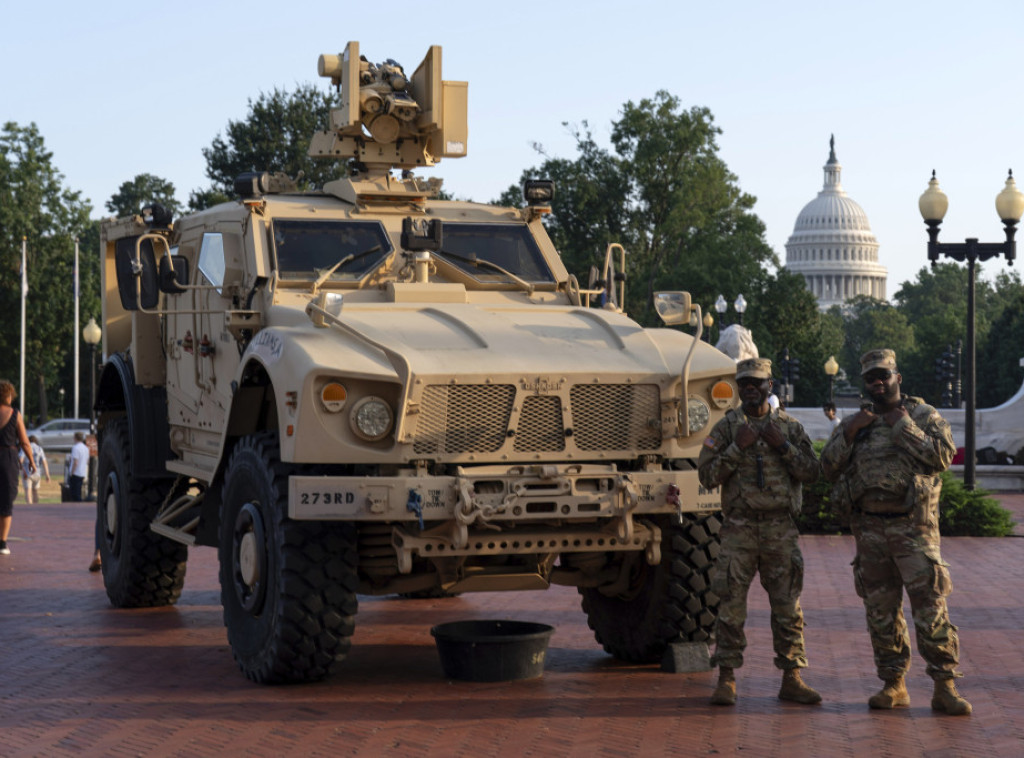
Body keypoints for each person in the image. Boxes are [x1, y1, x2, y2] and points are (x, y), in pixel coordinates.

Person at [821, 349, 971, 716]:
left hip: (913, 531)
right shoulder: (858, 422)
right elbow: (825, 467)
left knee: (930, 609)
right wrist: (850, 431)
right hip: (870, 530)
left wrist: (903, 426)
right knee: (881, 613)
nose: (878, 381)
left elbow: (942, 457)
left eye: (884, 375)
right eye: (871, 376)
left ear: (897, 378)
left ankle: (944, 686)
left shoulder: (923, 415)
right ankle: (893, 684)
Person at [698, 358, 823, 706]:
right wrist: (738, 446)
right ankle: (726, 677)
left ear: (771, 385)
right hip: (739, 529)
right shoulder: (726, 428)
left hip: (779, 529)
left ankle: (792, 677)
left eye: (757, 382)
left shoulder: (790, 427)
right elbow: (706, 476)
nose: (751, 388)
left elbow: (813, 472)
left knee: (787, 607)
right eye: (745, 384)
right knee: (731, 606)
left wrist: (781, 446)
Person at [0, 380, 36, 555]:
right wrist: (32, 461)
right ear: (8, 395)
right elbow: (24, 442)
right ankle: (2, 543)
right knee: (6, 500)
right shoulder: (15, 414)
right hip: (8, 458)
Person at [19, 434, 51, 504]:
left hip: (27, 472)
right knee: (35, 491)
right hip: (37, 472)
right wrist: (47, 475)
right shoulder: (39, 448)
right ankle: (36, 507)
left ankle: (29, 508)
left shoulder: (25, 448)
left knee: (28, 491)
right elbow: (44, 462)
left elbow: (20, 460)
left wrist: (23, 470)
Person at [68, 431, 90, 502]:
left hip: (76, 473)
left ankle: (79, 504)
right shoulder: (86, 448)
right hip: (82, 472)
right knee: (78, 491)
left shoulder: (75, 448)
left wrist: (72, 472)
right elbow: (87, 461)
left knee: (74, 493)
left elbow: (75, 462)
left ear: (75, 438)